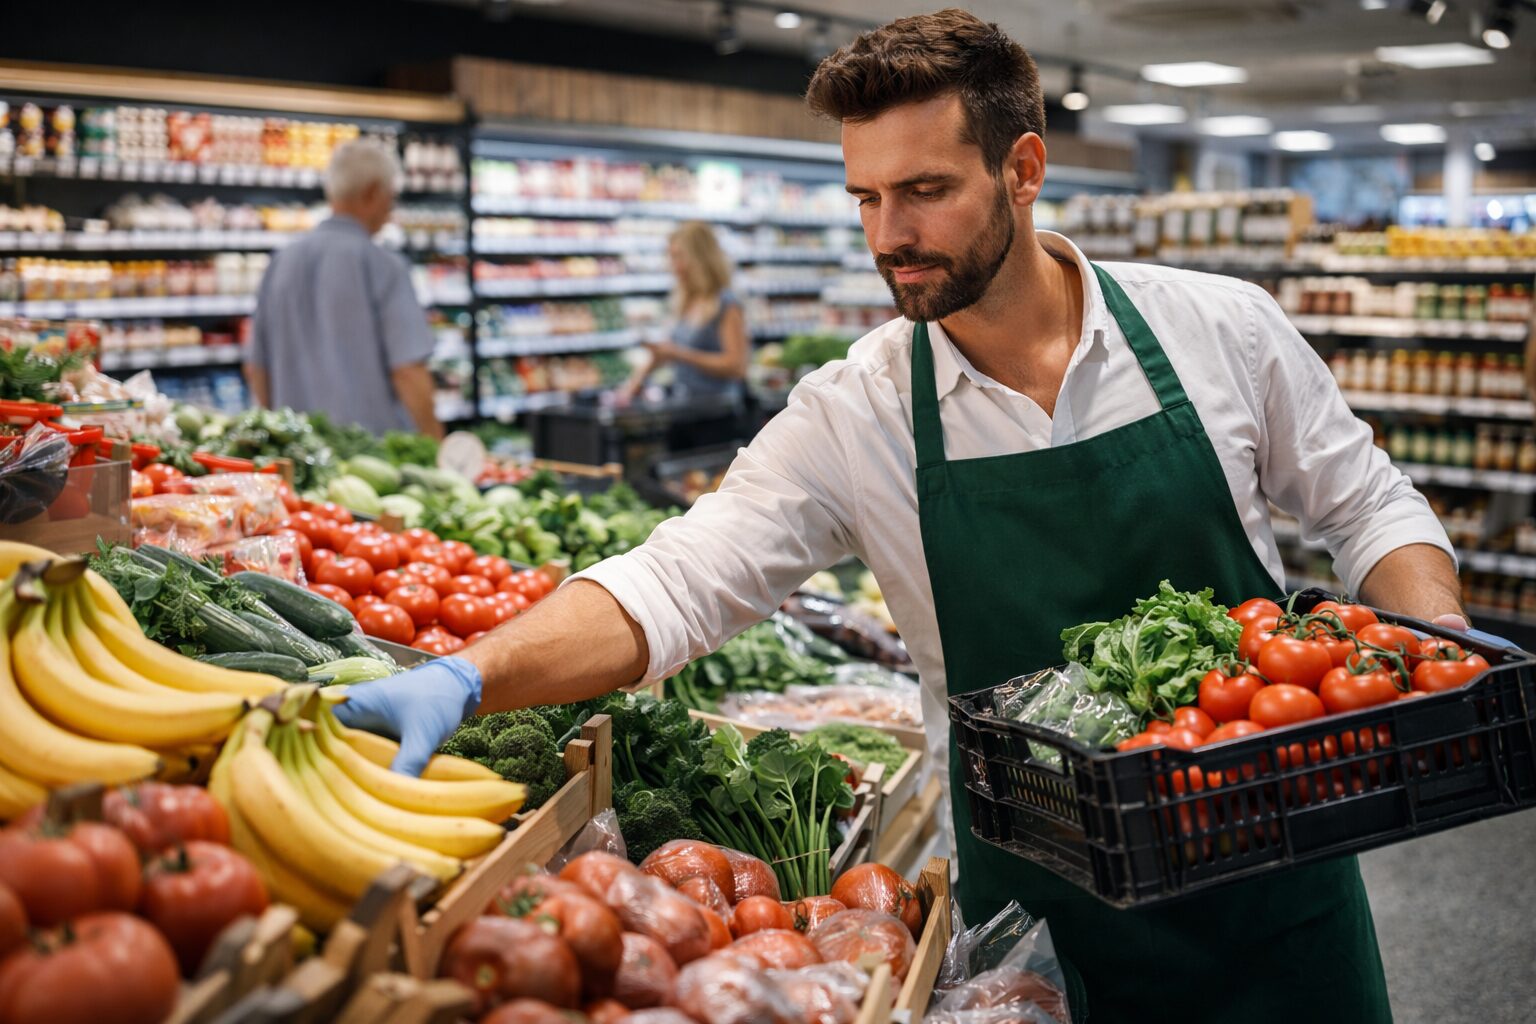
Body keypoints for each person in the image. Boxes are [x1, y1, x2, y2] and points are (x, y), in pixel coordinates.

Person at [336, 10, 1496, 1021]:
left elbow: (1369, 503)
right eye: (867, 197)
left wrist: (1433, 649)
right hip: (1039, 929)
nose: (888, 235)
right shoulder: (861, 411)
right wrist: (471, 674)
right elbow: (680, 578)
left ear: (1023, 169)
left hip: (1273, 888)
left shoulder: (1220, 329)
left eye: (926, 191)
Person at [244, 138, 444, 439]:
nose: (391, 209)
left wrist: (280, 436)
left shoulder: (280, 262)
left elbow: (256, 367)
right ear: (372, 192)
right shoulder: (383, 266)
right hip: (370, 454)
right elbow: (408, 371)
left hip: (298, 448)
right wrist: (435, 444)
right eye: (391, 197)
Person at [622, 220, 749, 403]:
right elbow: (670, 351)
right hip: (687, 403)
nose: (673, 266)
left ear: (700, 259)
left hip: (719, 407)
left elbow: (737, 366)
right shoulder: (686, 300)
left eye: (679, 257)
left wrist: (680, 354)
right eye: (671, 257)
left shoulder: (726, 303)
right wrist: (633, 384)